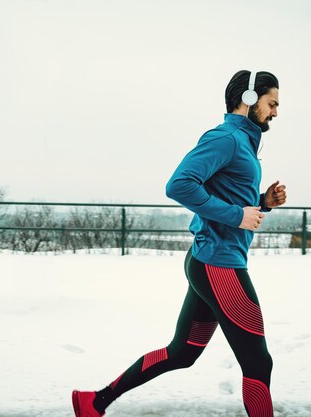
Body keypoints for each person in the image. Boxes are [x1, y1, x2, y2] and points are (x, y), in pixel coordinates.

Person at [72, 70, 287, 417]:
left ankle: (93, 402)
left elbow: (228, 194)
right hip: (220, 265)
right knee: (258, 364)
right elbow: (179, 185)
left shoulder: (243, 142)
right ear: (249, 99)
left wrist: (263, 202)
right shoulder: (226, 138)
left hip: (209, 259)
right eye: (272, 103)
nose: (276, 113)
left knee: (182, 353)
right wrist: (237, 216)